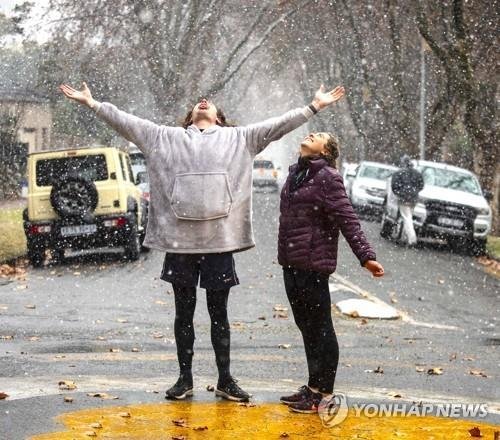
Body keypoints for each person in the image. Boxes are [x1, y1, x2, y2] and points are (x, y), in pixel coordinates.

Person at [59, 82, 346, 402]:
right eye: (198, 104)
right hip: (180, 245)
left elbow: (279, 125)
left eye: (209, 105)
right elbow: (125, 121)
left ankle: (226, 379)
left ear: (220, 120)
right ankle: (184, 379)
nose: (203, 102)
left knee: (219, 314)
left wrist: (313, 107)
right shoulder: (164, 137)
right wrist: (92, 103)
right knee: (183, 314)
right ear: (190, 118)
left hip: (218, 244)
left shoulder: (240, 139)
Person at [277, 132, 384, 413]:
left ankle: (325, 394)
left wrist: (366, 256)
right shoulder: (297, 174)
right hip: (292, 263)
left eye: (319, 136)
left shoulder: (328, 178)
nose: (312, 134)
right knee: (307, 328)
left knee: (321, 328)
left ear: (325, 151)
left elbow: (347, 218)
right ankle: (312, 387)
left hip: (313, 265)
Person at [390, 155, 424, 246]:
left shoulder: (399, 173)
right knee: (408, 217)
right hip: (413, 199)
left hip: (403, 198)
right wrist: (414, 192)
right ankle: (404, 238)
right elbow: (421, 185)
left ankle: (412, 239)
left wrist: (400, 193)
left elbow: (394, 186)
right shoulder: (417, 173)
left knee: (406, 218)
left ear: (403, 163)